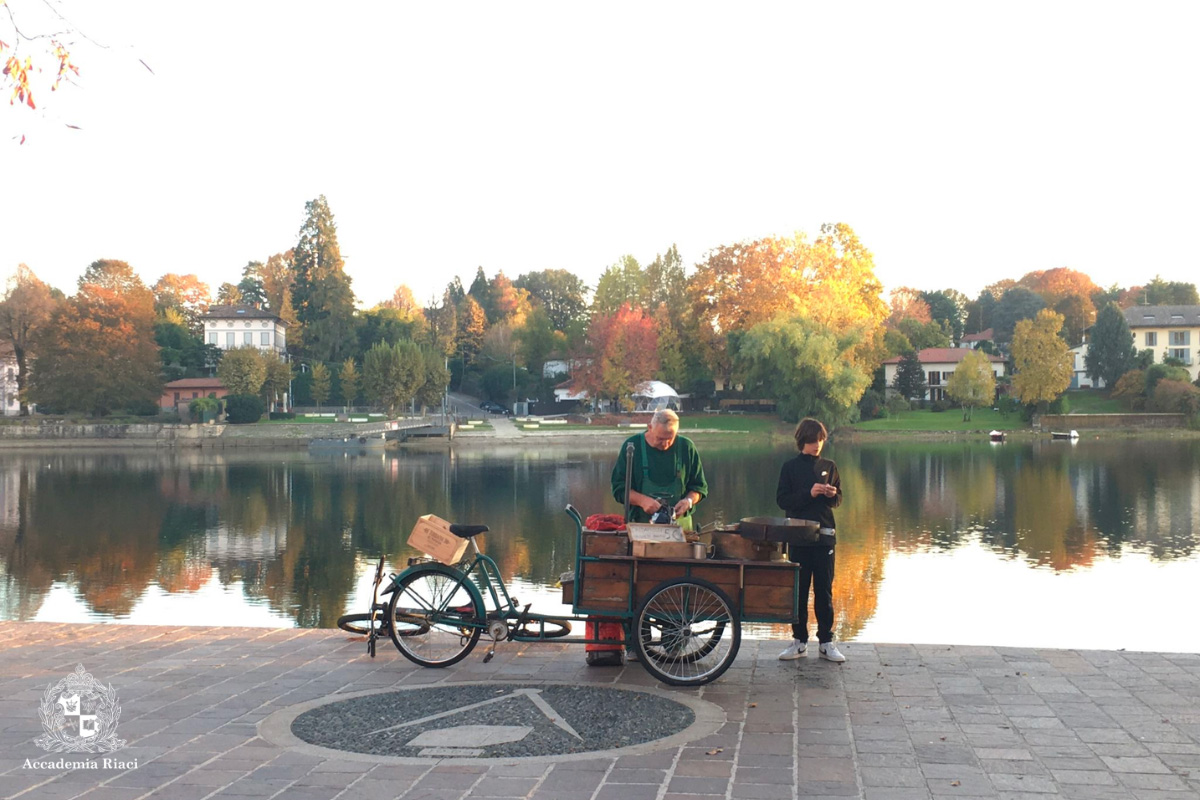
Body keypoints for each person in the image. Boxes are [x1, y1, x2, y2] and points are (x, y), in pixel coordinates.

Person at [775, 417, 845, 663]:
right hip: (798, 538)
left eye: (821, 440)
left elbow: (838, 501)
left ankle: (826, 641)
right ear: (802, 441)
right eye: (813, 441)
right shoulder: (790, 467)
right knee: (799, 592)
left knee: (824, 591)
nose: (817, 445)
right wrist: (809, 493)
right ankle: (799, 641)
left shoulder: (830, 465)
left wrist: (831, 494)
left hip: (825, 538)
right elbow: (783, 501)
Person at [611, 409, 707, 532]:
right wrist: (642, 501)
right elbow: (619, 488)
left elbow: (699, 488)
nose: (665, 444)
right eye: (660, 438)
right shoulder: (632, 446)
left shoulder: (686, 447)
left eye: (670, 438)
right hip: (641, 527)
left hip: (681, 530)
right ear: (650, 427)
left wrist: (688, 501)